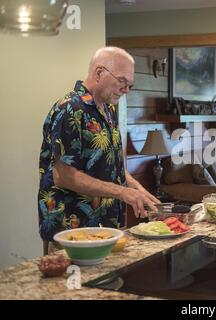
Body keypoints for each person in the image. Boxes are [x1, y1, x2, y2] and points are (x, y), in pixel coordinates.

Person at [38, 47, 160, 250]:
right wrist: (122, 193)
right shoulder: (70, 110)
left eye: (130, 85)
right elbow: (63, 175)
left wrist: (135, 187)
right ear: (99, 72)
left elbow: (109, 165)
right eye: (122, 81)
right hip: (72, 233)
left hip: (106, 229)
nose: (126, 90)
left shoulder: (108, 110)